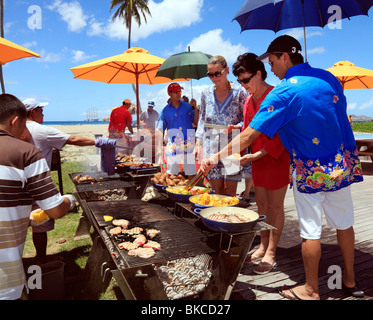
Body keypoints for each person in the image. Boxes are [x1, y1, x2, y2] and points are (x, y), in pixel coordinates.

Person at [200, 35, 364, 300]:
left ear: (285, 57)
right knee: (344, 225)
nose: (273, 69)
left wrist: (215, 156)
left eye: (273, 61)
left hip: (310, 169)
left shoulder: (285, 90)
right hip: (340, 165)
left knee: (311, 231)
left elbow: (249, 136)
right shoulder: (329, 78)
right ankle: (350, 278)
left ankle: (310, 289)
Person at [0, 93, 75, 300]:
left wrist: (26, 217)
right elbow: (56, 210)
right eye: (24, 125)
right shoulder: (27, 153)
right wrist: (70, 200)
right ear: (16, 121)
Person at [232, 53, 291, 274]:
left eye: (246, 79)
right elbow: (247, 132)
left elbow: (283, 134)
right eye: (240, 81)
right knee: (262, 206)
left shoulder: (276, 95)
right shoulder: (249, 100)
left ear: (259, 73)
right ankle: (263, 244)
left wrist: (255, 155)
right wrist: (242, 153)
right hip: (256, 158)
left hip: (276, 157)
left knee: (276, 207)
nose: (243, 85)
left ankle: (271, 252)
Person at [23, 97, 95, 265]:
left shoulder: (18, 129)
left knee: (23, 222)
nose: (43, 113)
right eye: (41, 110)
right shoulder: (40, 130)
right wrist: (98, 141)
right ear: (32, 112)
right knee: (40, 223)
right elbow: (74, 140)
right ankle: (41, 258)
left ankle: (26, 260)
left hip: (20, 183)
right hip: (37, 184)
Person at [194, 55, 250, 196]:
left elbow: (248, 120)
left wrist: (237, 127)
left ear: (226, 70)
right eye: (210, 74)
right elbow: (202, 120)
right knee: (217, 192)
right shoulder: (206, 93)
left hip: (232, 148)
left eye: (217, 73)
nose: (214, 77)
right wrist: (197, 143)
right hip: (210, 148)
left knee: (230, 193)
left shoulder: (240, 93)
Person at [156, 83, 198, 177]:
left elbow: (196, 122)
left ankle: (190, 191)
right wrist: (159, 148)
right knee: (172, 174)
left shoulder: (188, 106)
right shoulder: (165, 111)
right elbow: (159, 130)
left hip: (189, 143)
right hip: (173, 145)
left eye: (180, 91)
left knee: (191, 173)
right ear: (169, 93)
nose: (179, 93)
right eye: (176, 92)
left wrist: (194, 108)